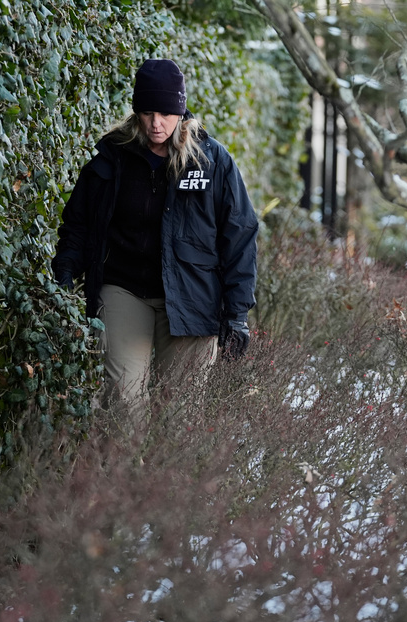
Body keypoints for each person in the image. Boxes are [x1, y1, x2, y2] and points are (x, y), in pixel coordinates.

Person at [51, 58, 258, 424]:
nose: (155, 123)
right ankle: (125, 479)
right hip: (124, 291)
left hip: (192, 300)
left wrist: (237, 314)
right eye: (147, 112)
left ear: (181, 111)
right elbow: (78, 223)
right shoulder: (111, 158)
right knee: (122, 408)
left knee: (178, 419)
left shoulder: (212, 163)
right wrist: (66, 269)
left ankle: (164, 483)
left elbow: (239, 234)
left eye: (164, 113)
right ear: (136, 111)